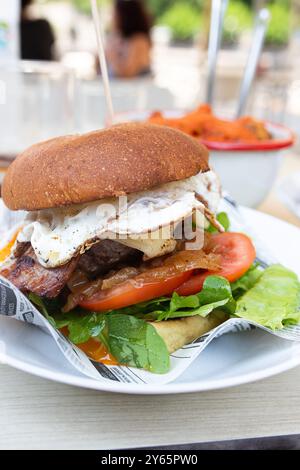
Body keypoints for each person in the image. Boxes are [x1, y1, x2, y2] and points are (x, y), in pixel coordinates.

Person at [105, 0, 152, 78]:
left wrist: (111, 54)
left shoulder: (139, 41)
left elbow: (127, 75)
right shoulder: (119, 39)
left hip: (138, 89)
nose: (111, 18)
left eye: (114, 14)